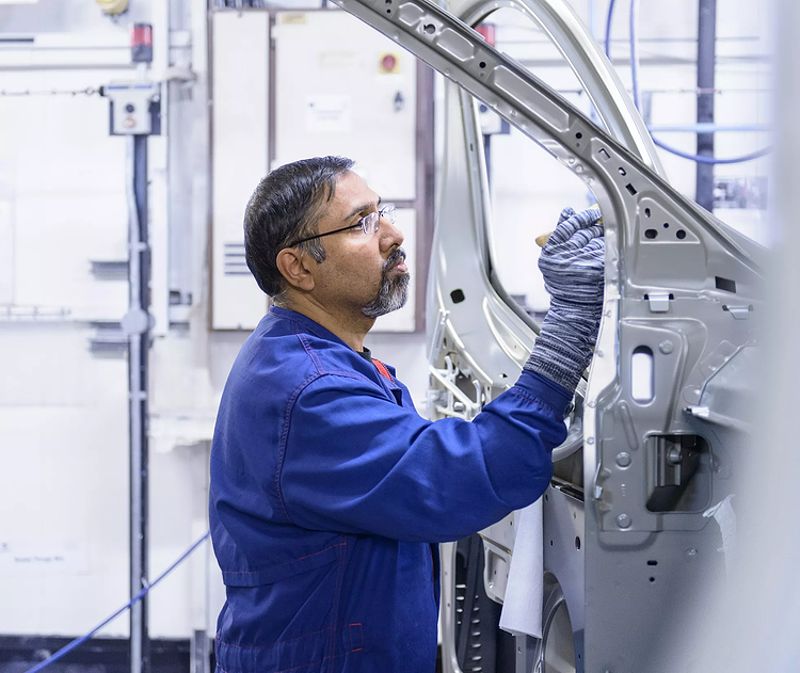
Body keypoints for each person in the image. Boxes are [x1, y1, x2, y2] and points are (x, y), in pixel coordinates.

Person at [209, 156, 604, 673]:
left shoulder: (317, 358)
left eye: (383, 212)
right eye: (363, 223)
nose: (393, 234)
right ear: (299, 267)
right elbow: (461, 476)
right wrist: (570, 320)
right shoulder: (310, 392)